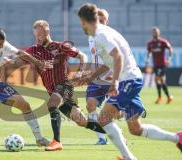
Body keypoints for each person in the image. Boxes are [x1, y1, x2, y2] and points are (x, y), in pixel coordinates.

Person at [78, 3, 182, 160]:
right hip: (131, 79)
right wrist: (90, 77)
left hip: (128, 80)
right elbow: (109, 61)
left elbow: (118, 56)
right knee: (135, 128)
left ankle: (128, 157)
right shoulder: (103, 33)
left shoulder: (100, 34)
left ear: (83, 21)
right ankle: (178, 138)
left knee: (103, 119)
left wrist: (114, 83)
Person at [24, 20, 108, 151]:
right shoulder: (34, 50)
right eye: (36, 35)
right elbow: (19, 55)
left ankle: (56, 142)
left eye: (40, 34)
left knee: (52, 104)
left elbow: (82, 56)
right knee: (82, 121)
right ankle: (113, 133)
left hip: (64, 86)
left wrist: (80, 71)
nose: (38, 37)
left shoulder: (61, 46)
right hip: (54, 92)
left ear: (47, 31)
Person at [87, 8, 110, 145]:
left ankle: (118, 134)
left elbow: (109, 63)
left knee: (114, 112)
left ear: (107, 21)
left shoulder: (109, 37)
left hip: (111, 77)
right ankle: (102, 138)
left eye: (103, 20)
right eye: (98, 20)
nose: (100, 23)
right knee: (90, 106)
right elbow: (96, 58)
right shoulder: (91, 36)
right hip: (96, 77)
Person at [146, 26, 173, 104]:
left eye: (156, 32)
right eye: (154, 32)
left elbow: (170, 48)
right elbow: (149, 52)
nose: (155, 33)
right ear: (152, 33)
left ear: (159, 33)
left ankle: (160, 97)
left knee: (157, 79)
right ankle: (168, 97)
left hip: (162, 64)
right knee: (161, 81)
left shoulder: (163, 42)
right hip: (155, 65)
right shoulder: (150, 44)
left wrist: (169, 58)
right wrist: (148, 59)